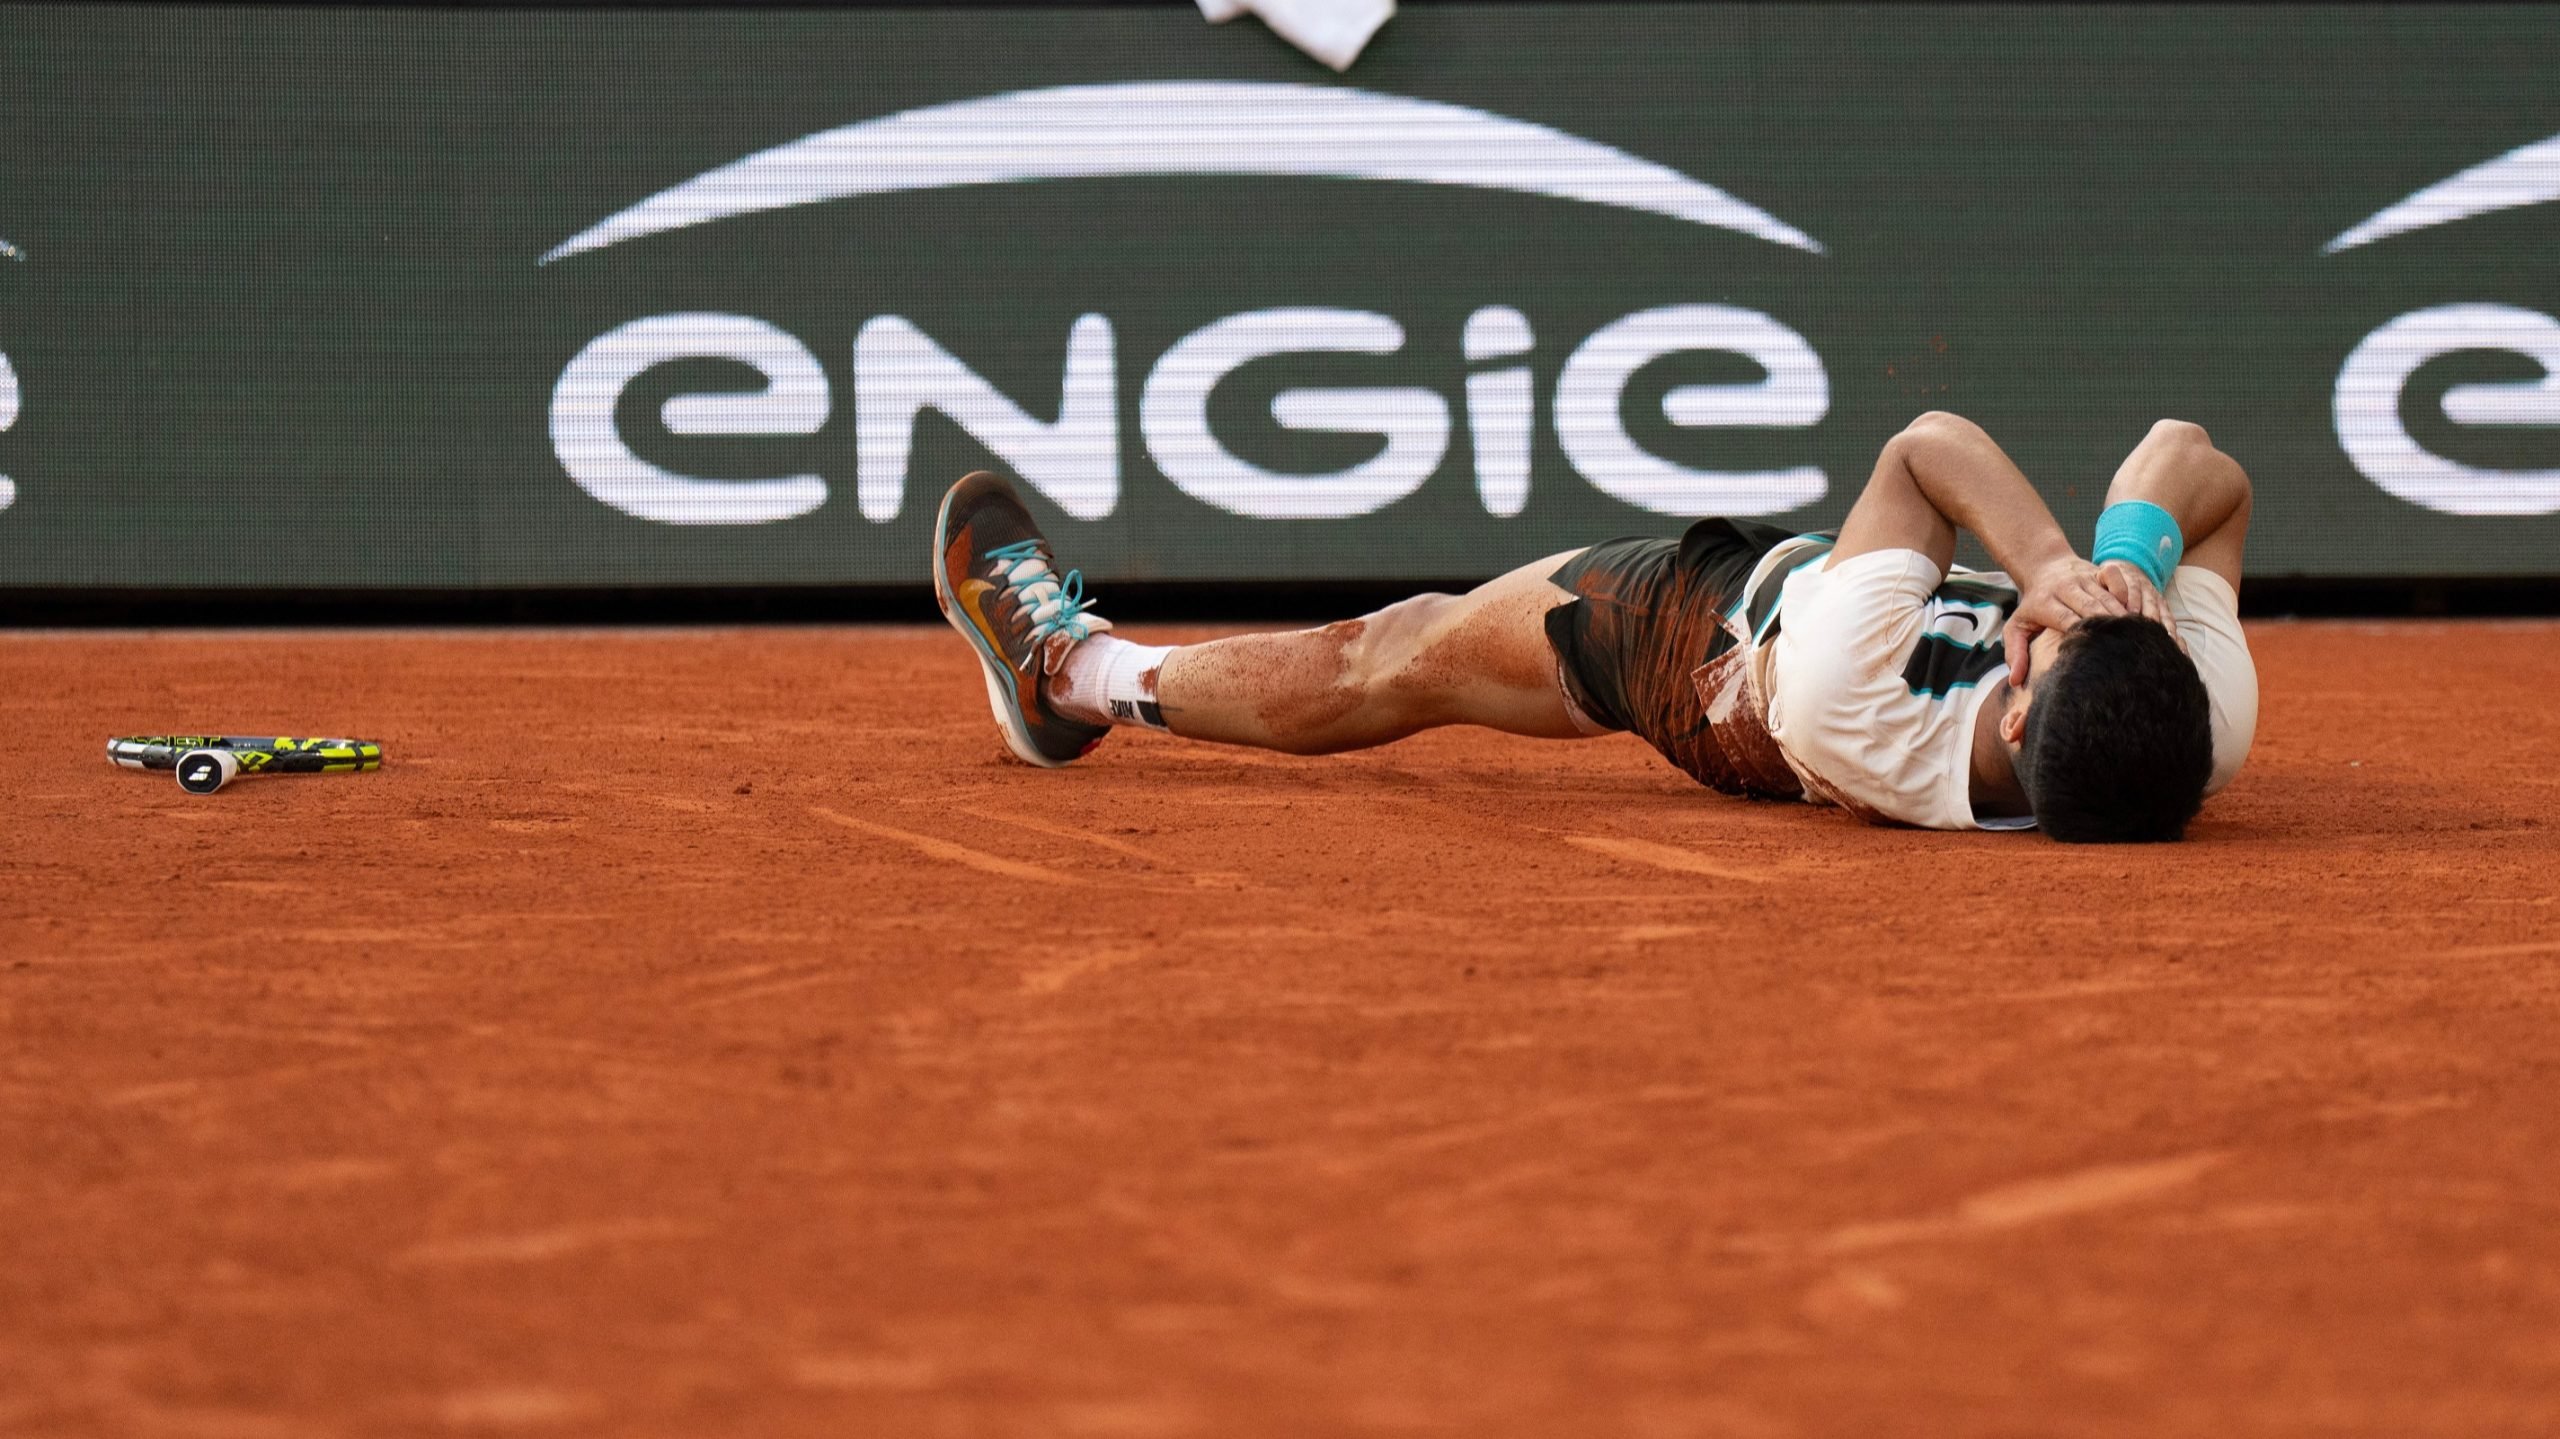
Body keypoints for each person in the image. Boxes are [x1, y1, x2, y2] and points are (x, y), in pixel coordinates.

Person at [932, 412, 2257, 841]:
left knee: (1389, 656)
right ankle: (1076, 676)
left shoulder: (1856, 695)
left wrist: (2046, 561)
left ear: (2014, 713)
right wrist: (2126, 566)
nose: (2061, 616)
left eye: (2058, 634)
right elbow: (2197, 461)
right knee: (1398, 664)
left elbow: (1928, 449)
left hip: (1699, 650)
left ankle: (1069, 674)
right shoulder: (2193, 724)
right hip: (1815, 616)